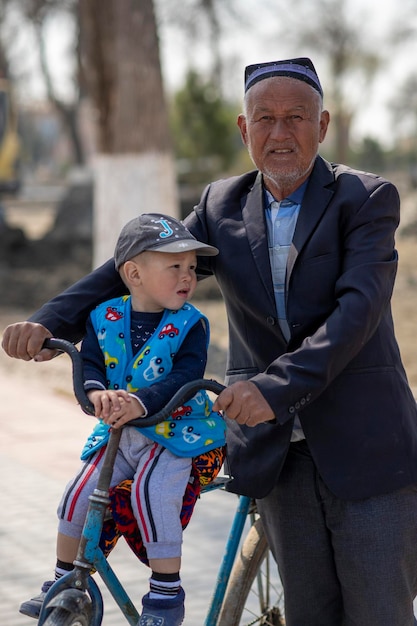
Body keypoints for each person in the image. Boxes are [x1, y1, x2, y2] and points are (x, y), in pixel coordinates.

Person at [4, 57, 417, 625]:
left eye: (296, 117)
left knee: (379, 612)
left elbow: (359, 311)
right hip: (275, 449)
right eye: (264, 119)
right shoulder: (221, 207)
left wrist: (275, 386)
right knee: (309, 611)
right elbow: (133, 266)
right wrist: (50, 322)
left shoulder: (365, 199)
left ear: (322, 127)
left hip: (367, 445)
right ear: (244, 130)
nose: (279, 132)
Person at [17, 213, 225, 626]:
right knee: (77, 495)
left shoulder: (191, 325)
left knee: (154, 493)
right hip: (121, 432)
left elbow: (185, 376)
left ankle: (166, 598)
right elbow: (91, 366)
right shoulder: (103, 317)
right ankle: (64, 582)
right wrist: (96, 394)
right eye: (175, 267)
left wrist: (139, 401)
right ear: (133, 273)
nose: (188, 276)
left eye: (191, 268)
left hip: (176, 431)